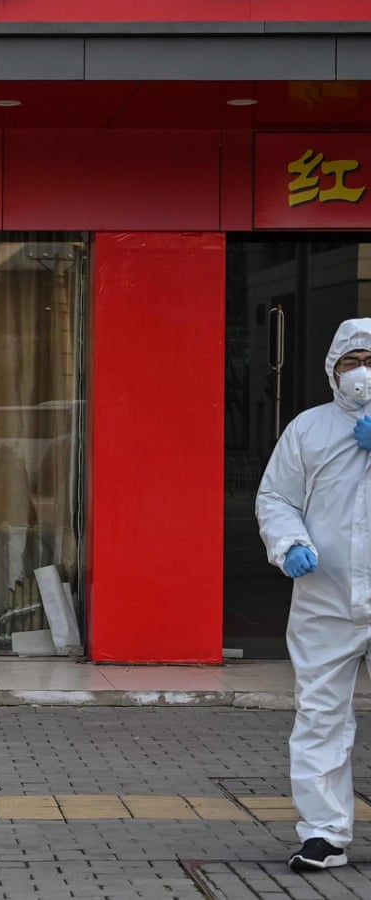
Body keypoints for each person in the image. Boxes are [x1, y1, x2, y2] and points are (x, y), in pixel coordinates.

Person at [256, 317, 371, 873]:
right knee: (321, 714)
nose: (361, 372)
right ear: (332, 371)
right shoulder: (309, 429)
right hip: (325, 596)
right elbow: (276, 497)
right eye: (350, 362)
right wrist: (290, 543)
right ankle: (324, 833)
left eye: (370, 360)